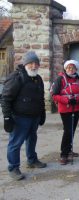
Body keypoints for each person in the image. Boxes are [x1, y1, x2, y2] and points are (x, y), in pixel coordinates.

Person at [1, 51, 47, 181]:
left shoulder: (38, 78)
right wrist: (7, 117)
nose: (34, 66)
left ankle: (32, 160)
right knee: (15, 143)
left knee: (32, 139)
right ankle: (13, 168)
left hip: (34, 117)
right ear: (25, 64)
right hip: (19, 118)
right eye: (31, 63)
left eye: (36, 63)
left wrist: (42, 112)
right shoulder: (17, 77)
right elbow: (5, 98)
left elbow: (40, 97)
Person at [51, 60, 79, 165]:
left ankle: (69, 149)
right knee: (67, 130)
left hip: (76, 108)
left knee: (72, 129)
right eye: (69, 68)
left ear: (76, 69)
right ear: (65, 68)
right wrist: (67, 100)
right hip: (65, 108)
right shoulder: (60, 79)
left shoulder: (77, 79)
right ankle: (64, 154)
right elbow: (54, 95)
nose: (71, 69)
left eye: (73, 68)